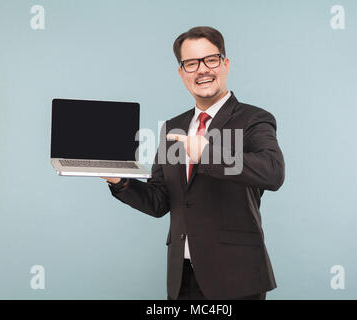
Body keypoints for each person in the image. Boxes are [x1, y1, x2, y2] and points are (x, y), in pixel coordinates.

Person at [102, 26, 285, 300]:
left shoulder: (253, 119)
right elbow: (159, 201)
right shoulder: (173, 127)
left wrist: (209, 152)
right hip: (182, 277)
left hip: (237, 276)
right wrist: (120, 181)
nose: (202, 70)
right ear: (181, 72)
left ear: (225, 64)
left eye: (210, 60)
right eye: (191, 63)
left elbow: (273, 172)